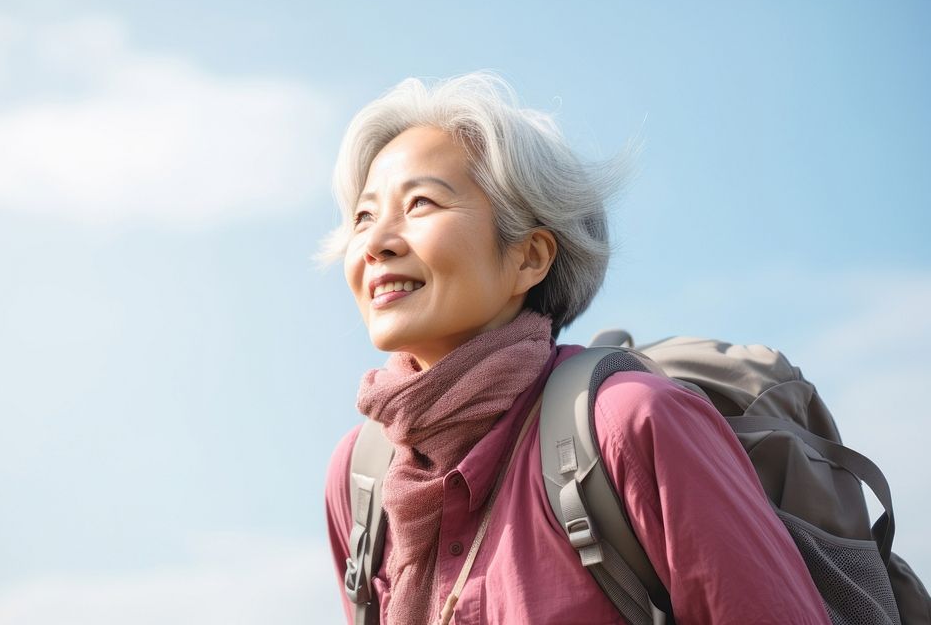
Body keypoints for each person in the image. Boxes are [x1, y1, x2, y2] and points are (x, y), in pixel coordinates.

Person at [322, 73, 829, 625]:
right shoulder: (361, 475)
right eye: (364, 216)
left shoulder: (632, 424)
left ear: (530, 257)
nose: (375, 243)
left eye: (420, 203)